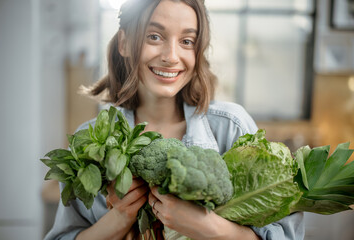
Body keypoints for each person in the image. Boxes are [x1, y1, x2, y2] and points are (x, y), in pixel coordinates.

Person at [45, 0, 304, 239]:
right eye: (154, 36)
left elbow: (286, 235)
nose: (171, 56)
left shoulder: (231, 128)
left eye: (187, 41)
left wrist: (207, 226)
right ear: (124, 43)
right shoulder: (90, 141)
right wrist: (119, 218)